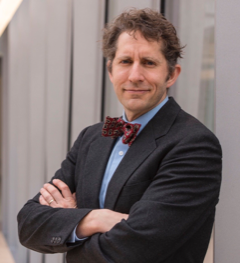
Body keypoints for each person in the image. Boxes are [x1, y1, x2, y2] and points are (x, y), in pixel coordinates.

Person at [17, 8, 222, 263]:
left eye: (149, 62)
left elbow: (139, 248)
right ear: (111, 70)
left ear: (171, 75)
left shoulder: (194, 144)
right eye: (126, 62)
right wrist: (96, 218)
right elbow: (29, 225)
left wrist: (73, 221)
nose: (135, 76)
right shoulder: (92, 138)